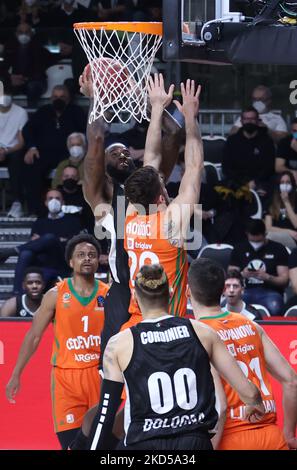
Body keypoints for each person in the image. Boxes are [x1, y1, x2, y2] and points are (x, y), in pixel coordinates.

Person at [70, 263, 264, 450]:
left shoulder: (119, 343)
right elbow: (250, 393)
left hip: (145, 442)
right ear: (171, 294)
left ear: (135, 298)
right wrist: (254, 404)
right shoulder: (202, 332)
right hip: (194, 441)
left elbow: (105, 415)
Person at [79, 70, 182, 360]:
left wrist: (150, 102)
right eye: (115, 153)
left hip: (159, 289)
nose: (123, 154)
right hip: (123, 293)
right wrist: (97, 98)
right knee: (114, 374)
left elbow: (174, 133)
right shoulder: (99, 196)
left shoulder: (147, 190)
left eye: (126, 151)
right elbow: (97, 139)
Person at [6, 234, 109, 450]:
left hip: (100, 375)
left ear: (99, 259)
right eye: (80, 255)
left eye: (91, 255)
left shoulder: (107, 294)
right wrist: (16, 373)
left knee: (102, 445)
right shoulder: (55, 295)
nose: (87, 259)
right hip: (66, 378)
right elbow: (34, 336)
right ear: (71, 262)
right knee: (71, 445)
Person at [188, 257, 297, 450]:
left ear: (188, 292)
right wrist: (288, 434)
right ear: (223, 289)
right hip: (271, 436)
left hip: (229, 436)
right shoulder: (250, 324)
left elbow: (220, 407)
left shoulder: (196, 334)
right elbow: (291, 381)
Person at [123, 78, 203, 325]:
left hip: (134, 325)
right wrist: (190, 117)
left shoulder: (130, 217)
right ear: (160, 196)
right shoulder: (171, 222)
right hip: (168, 325)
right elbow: (194, 166)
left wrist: (156, 108)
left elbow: (151, 159)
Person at [0, 189, 83, 293]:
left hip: (61, 258)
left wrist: (50, 240)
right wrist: (58, 239)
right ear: (45, 203)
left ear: (63, 202)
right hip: (42, 260)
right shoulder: (39, 222)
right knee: (26, 253)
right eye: (50, 198)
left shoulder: (72, 221)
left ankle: (11, 251)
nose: (54, 201)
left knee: (50, 238)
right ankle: (17, 294)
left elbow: (72, 243)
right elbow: (33, 244)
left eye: (57, 198)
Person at [22, 85, 86, 215]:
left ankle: (75, 209)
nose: (58, 99)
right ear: (51, 98)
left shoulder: (76, 112)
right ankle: (36, 210)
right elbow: (28, 130)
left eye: (62, 97)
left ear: (68, 99)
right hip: (44, 153)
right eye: (55, 97)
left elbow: (86, 132)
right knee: (32, 168)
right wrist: (32, 147)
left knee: (73, 172)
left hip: (69, 155)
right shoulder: (43, 111)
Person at [229, 218, 289, 316]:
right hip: (245, 291)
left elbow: (284, 280)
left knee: (275, 306)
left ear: (265, 234)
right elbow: (230, 275)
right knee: (229, 303)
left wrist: (267, 277)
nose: (256, 243)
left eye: (259, 240)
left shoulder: (278, 249)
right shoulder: (239, 249)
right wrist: (242, 274)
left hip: (270, 292)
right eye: (253, 240)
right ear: (247, 234)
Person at [223, 107, 275, 198]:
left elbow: (269, 167)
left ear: (258, 121)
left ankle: (267, 213)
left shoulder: (267, 141)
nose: (249, 122)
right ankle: (196, 212)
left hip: (261, 182)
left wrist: (255, 182)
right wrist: (243, 183)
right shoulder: (232, 141)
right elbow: (226, 167)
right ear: (242, 121)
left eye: (252, 119)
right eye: (246, 119)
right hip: (236, 183)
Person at [0, 82, 28, 218]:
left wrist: (5, 151)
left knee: (17, 160)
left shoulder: (20, 113)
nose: (4, 97)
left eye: (7, 94)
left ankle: (17, 202)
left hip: (12, 150)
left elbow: (21, 141)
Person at [265, 171, 297, 249]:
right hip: (278, 236)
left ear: (292, 185)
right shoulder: (271, 202)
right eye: (282, 182)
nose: (285, 185)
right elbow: (268, 228)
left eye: (288, 182)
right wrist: (288, 232)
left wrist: (286, 202)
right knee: (269, 236)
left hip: (294, 239)